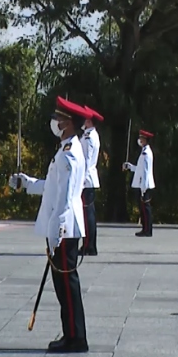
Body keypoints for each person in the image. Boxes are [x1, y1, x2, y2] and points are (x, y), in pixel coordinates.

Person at [11, 97, 90, 353]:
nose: (54, 122)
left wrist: (56, 231)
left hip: (64, 226)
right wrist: (27, 184)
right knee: (62, 285)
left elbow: (65, 198)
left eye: (58, 118)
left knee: (67, 285)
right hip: (62, 226)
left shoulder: (70, 155)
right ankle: (71, 334)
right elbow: (52, 187)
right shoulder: (66, 149)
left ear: (67, 124)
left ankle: (76, 338)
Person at [124, 129, 156, 237]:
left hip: (145, 185)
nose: (139, 140)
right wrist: (130, 166)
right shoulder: (143, 152)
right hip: (143, 183)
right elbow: (139, 169)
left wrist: (144, 187)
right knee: (143, 208)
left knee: (145, 208)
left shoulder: (147, 153)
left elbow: (146, 171)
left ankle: (147, 229)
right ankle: (145, 228)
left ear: (145, 140)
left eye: (141, 138)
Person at [81, 106, 103, 256]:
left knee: (87, 215)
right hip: (88, 179)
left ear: (89, 121)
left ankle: (89, 246)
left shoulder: (89, 137)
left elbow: (87, 161)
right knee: (88, 214)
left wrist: (80, 181)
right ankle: (88, 244)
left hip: (86, 180)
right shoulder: (89, 135)